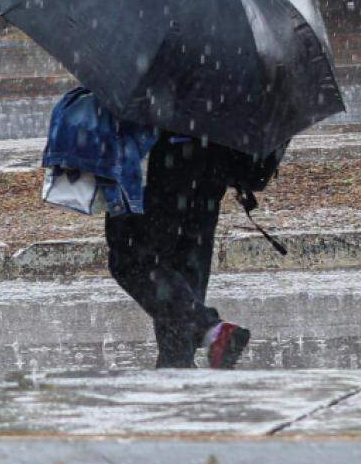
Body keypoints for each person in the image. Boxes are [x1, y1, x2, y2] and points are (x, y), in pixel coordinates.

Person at [104, 133, 251, 370]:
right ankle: (176, 365)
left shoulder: (176, 104)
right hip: (217, 154)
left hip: (177, 149)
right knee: (185, 263)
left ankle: (210, 330)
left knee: (132, 259)